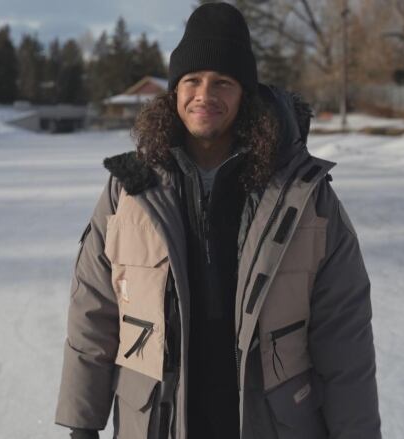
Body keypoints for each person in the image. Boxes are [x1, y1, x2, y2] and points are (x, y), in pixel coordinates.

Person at [55, 3, 381, 439]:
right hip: (155, 421)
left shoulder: (303, 195)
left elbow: (345, 337)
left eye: (222, 82)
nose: (204, 95)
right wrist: (82, 424)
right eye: (192, 80)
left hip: (272, 422)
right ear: (175, 91)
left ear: (244, 93)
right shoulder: (129, 190)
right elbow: (93, 313)